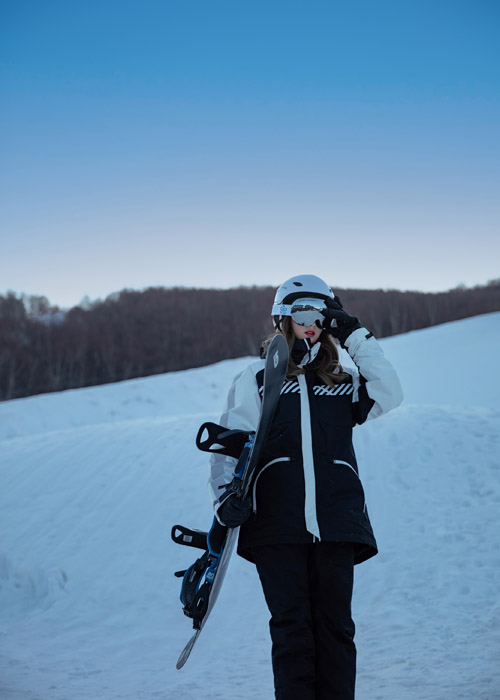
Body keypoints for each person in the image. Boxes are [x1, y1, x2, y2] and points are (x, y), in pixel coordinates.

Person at [209, 274, 403, 700]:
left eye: (320, 314)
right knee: (292, 629)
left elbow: (390, 392)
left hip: (336, 520)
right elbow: (230, 442)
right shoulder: (259, 377)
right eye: (301, 313)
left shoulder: (341, 381)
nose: (311, 323)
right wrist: (224, 496)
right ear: (283, 318)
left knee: (336, 630)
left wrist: (353, 334)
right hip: (276, 525)